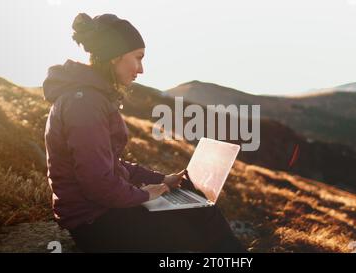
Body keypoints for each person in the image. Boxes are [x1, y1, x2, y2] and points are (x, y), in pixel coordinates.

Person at [42, 13, 245, 253]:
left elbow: (109, 165)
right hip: (95, 223)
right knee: (205, 218)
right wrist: (142, 196)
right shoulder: (85, 103)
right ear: (115, 57)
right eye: (138, 58)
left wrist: (160, 180)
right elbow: (96, 182)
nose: (141, 69)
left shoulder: (89, 96)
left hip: (100, 213)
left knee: (199, 210)